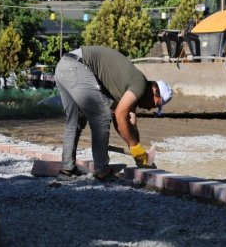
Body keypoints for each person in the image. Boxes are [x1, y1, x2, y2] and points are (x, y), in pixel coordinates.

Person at [54, 45, 173, 181]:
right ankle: (102, 171)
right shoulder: (140, 84)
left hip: (65, 66)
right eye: (156, 104)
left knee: (76, 121)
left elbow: (126, 121)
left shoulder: (132, 86)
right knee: (101, 117)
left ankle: (67, 170)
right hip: (77, 67)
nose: (151, 108)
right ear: (154, 90)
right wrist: (136, 148)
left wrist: (137, 149)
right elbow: (120, 115)